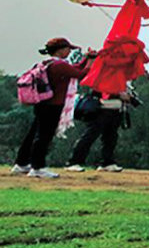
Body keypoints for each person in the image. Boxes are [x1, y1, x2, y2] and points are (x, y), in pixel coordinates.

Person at [13, 38, 98, 179]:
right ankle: (38, 167)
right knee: (44, 137)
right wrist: (90, 62)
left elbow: (74, 68)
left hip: (42, 103)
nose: (69, 51)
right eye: (68, 49)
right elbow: (81, 74)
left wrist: (86, 60)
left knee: (34, 134)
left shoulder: (48, 63)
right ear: (60, 50)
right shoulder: (59, 65)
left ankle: (21, 163)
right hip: (52, 105)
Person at [65, 87, 137, 172]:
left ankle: (107, 162)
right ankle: (74, 161)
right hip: (101, 110)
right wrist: (118, 94)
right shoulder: (104, 79)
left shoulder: (121, 80)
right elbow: (102, 93)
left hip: (116, 110)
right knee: (90, 136)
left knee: (111, 138)